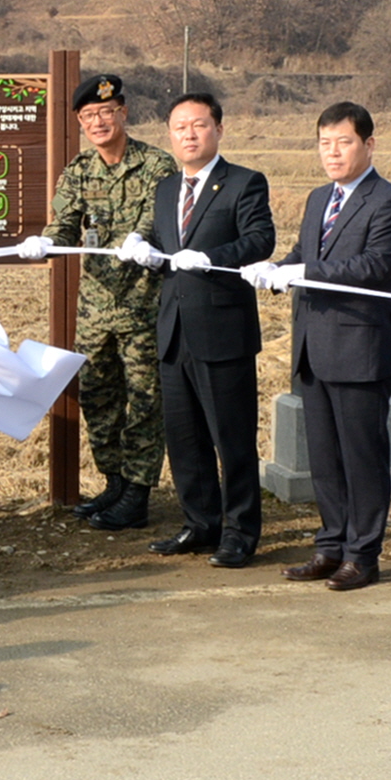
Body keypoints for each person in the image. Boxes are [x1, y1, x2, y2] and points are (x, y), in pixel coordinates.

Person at [258, 101, 391, 592]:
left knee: (361, 458)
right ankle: (330, 546)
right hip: (313, 346)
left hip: (359, 349)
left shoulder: (389, 201)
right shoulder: (317, 198)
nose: (332, 153)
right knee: (324, 458)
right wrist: (276, 268)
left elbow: (372, 266)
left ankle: (362, 555)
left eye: (343, 142)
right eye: (324, 143)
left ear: (369, 144)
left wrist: (302, 271)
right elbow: (305, 253)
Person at [120, 92, 274, 567]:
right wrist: (142, 246)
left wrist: (211, 257)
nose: (189, 134)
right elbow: (163, 241)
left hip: (222, 330)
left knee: (232, 439)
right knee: (184, 439)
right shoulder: (166, 188)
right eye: (179, 127)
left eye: (199, 125)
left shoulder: (244, 182)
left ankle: (240, 532)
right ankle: (200, 524)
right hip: (174, 329)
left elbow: (260, 239)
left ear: (218, 130)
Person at [15, 74, 169, 529]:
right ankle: (114, 483)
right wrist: (46, 242)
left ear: (123, 113)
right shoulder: (80, 170)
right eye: (88, 116)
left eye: (106, 112)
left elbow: (155, 219)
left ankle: (137, 493)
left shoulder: (156, 165)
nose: (98, 122)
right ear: (81, 124)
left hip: (144, 304)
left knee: (145, 398)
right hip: (96, 308)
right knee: (98, 396)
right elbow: (64, 223)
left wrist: (142, 238)